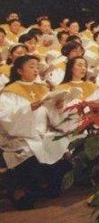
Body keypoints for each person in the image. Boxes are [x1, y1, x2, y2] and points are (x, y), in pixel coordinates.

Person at [0, 55, 70, 210]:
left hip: (42, 133)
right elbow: (5, 118)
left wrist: (57, 107)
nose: (35, 70)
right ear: (19, 70)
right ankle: (24, 191)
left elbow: (52, 117)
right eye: (31, 66)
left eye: (37, 67)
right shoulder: (10, 92)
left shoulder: (43, 89)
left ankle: (49, 187)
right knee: (30, 150)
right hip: (20, 136)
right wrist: (28, 108)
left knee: (60, 143)